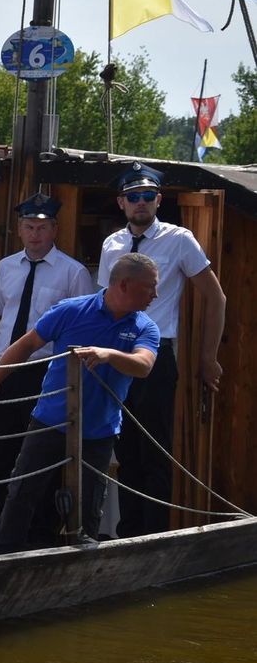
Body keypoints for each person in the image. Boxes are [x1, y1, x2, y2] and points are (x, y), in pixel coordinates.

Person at [0, 253, 161, 554]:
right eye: (150, 286)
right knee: (22, 491)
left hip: (99, 429)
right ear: (125, 284)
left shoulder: (145, 327)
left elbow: (144, 365)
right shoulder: (72, 310)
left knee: (89, 503)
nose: (156, 294)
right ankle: (3, 558)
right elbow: (26, 344)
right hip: (51, 418)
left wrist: (108, 355)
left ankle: (80, 567)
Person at [96, 162, 226, 537]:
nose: (141, 203)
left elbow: (216, 299)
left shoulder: (179, 239)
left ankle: (154, 537)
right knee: (124, 448)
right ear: (121, 202)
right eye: (133, 197)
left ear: (158, 199)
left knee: (155, 450)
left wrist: (207, 357)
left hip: (156, 353)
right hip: (116, 355)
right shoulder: (112, 244)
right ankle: (128, 534)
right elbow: (105, 302)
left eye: (147, 196)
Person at [0, 193, 92, 542]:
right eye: (29, 227)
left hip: (45, 372)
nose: (35, 234)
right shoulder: (5, 267)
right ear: (19, 229)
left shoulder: (73, 273)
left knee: (41, 455)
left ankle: (40, 532)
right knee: (1, 450)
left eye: (42, 228)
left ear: (54, 229)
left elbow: (81, 329)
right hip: (5, 368)